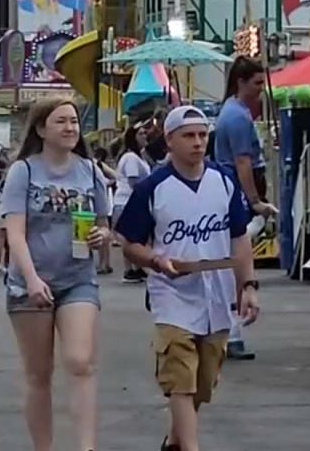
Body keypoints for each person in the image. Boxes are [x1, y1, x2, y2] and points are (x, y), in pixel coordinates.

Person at [118, 106, 260, 451]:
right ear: (169, 140)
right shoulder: (153, 187)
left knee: (202, 382)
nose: (198, 143)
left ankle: (176, 439)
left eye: (202, 135)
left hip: (217, 291)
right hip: (172, 294)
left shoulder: (223, 181)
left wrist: (249, 285)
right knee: (179, 376)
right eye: (189, 136)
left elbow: (239, 237)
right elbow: (127, 241)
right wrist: (154, 258)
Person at [2, 99, 111, 451]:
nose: (70, 128)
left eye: (74, 121)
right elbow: (14, 233)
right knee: (39, 374)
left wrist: (102, 236)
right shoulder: (24, 171)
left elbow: (104, 225)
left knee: (81, 362)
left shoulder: (90, 171)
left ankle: (86, 447)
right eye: (61, 121)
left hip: (78, 278)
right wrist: (32, 279)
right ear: (41, 129)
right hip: (29, 283)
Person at [214, 56, 277, 360]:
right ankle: (232, 329)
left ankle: (231, 329)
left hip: (236, 190)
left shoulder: (233, 112)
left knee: (238, 255)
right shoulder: (237, 117)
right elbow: (243, 162)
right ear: (241, 82)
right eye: (256, 83)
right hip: (239, 192)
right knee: (239, 256)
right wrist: (254, 200)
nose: (261, 88)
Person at [113, 126, 151, 284]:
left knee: (137, 238)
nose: (145, 136)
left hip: (131, 201)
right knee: (129, 237)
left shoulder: (140, 157)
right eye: (141, 133)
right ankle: (129, 269)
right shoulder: (130, 158)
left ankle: (136, 267)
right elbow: (133, 180)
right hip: (126, 201)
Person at [92, 147, 118, 276]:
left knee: (100, 233)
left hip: (98, 204)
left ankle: (103, 264)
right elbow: (115, 176)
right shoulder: (96, 165)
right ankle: (105, 263)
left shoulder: (92, 165)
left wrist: (106, 183)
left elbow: (115, 176)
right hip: (104, 203)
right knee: (103, 233)